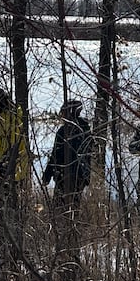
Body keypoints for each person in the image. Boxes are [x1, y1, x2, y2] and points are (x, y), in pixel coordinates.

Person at [42, 100, 92, 267]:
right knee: (63, 212)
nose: (61, 115)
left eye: (64, 112)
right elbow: (56, 154)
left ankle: (69, 247)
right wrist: (48, 175)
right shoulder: (78, 130)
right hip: (66, 178)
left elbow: (62, 155)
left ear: (71, 112)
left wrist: (49, 175)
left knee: (67, 213)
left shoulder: (76, 131)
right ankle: (64, 246)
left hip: (71, 179)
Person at [0, 87, 30, 237]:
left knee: (8, 216)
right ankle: (0, 245)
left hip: (10, 177)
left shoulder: (10, 119)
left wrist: (3, 171)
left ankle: (11, 249)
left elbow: (15, 147)